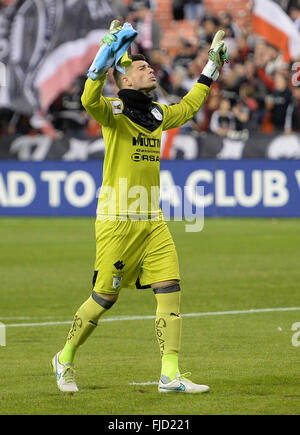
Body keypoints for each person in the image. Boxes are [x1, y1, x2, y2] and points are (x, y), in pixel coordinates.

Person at [52, 21, 228, 394]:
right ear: (126, 81)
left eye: (149, 65)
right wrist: (104, 56)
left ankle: (169, 374)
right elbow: (88, 99)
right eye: (140, 67)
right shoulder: (113, 110)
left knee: (170, 289)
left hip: (153, 222)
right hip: (117, 222)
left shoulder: (157, 115)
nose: (149, 69)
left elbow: (189, 106)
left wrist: (212, 67)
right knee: (103, 299)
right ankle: (64, 357)